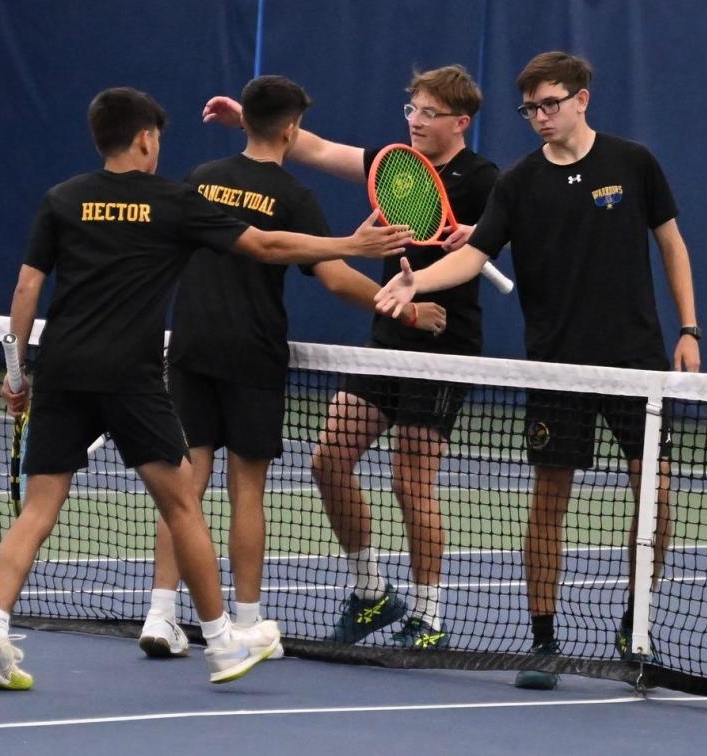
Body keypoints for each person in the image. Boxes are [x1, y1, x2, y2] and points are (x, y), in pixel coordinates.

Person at [0, 86, 412, 690]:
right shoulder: (174, 203)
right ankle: (225, 644)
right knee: (182, 504)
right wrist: (351, 244)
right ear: (145, 139)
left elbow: (25, 290)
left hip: (62, 372)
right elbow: (267, 245)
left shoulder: (62, 199)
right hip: (132, 379)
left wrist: (16, 376)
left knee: (39, 510)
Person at [375, 51, 700, 688]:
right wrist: (415, 285)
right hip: (555, 366)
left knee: (655, 495)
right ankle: (543, 642)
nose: (539, 117)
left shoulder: (633, 163)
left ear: (582, 99)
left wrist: (689, 328)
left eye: (549, 104)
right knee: (548, 500)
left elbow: (671, 243)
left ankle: (637, 625)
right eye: (530, 108)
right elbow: (472, 257)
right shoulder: (517, 184)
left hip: (636, 363)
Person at [139, 76, 446, 659]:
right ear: (290, 129)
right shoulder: (294, 195)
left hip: (191, 347)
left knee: (185, 484)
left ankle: (162, 614)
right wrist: (404, 310)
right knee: (246, 489)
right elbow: (332, 277)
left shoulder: (200, 179)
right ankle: (248, 622)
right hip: (252, 352)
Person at [202, 65, 497, 649]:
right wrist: (249, 120)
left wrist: (476, 231)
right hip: (390, 333)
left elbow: (517, 227)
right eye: (411, 109)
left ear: (460, 122)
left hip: (443, 342)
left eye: (428, 113)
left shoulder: (485, 178)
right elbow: (316, 147)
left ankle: (429, 617)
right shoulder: (397, 166)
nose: (415, 121)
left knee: (411, 481)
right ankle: (371, 593)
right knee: (328, 460)